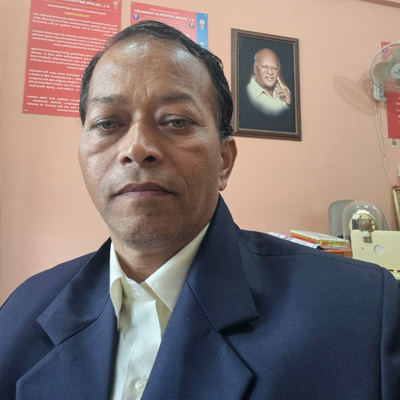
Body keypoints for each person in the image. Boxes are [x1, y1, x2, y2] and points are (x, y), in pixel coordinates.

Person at [0, 21, 399, 400]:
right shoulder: (22, 310)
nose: (136, 148)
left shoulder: (362, 312)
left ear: (224, 160)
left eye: (175, 121)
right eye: (107, 123)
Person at [246, 48, 291, 116]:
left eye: (274, 68)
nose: (270, 72)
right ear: (255, 68)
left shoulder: (286, 92)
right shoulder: (246, 93)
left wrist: (289, 105)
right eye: (264, 67)